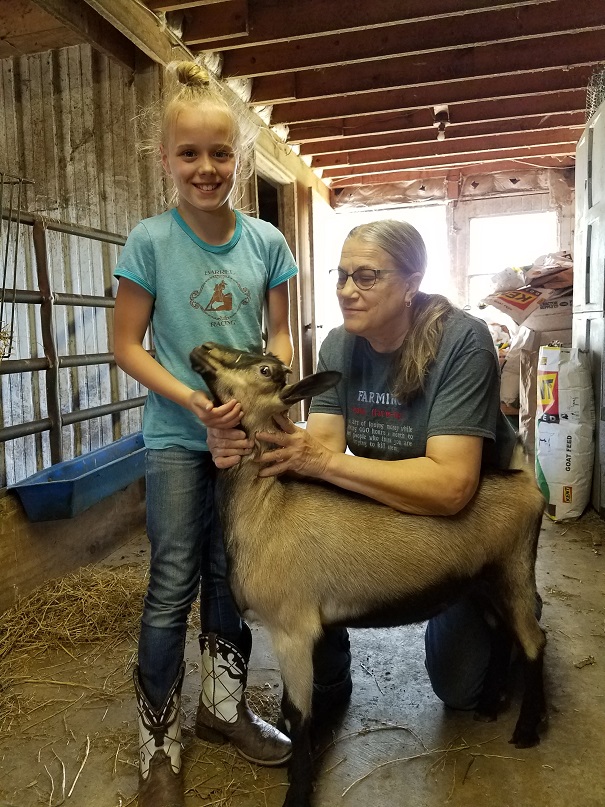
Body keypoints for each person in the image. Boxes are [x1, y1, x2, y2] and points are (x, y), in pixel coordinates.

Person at [207, 218, 519, 723]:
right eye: (342, 275)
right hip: (382, 512)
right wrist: (236, 438)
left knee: (461, 689)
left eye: (367, 277)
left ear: (412, 283)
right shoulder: (340, 344)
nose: (347, 291)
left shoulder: (464, 341)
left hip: (463, 522)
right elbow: (318, 454)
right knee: (304, 545)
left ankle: (504, 597)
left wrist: (327, 463)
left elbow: (451, 487)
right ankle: (328, 672)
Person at [113, 60, 293, 807]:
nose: (206, 167)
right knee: (171, 582)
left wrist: (249, 405)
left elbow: (281, 337)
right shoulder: (150, 241)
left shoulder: (266, 243)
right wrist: (196, 403)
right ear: (164, 160)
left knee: (232, 580)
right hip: (177, 439)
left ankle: (223, 709)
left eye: (220, 153)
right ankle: (159, 737)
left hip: (244, 440)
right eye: (189, 153)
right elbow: (126, 343)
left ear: (241, 160)